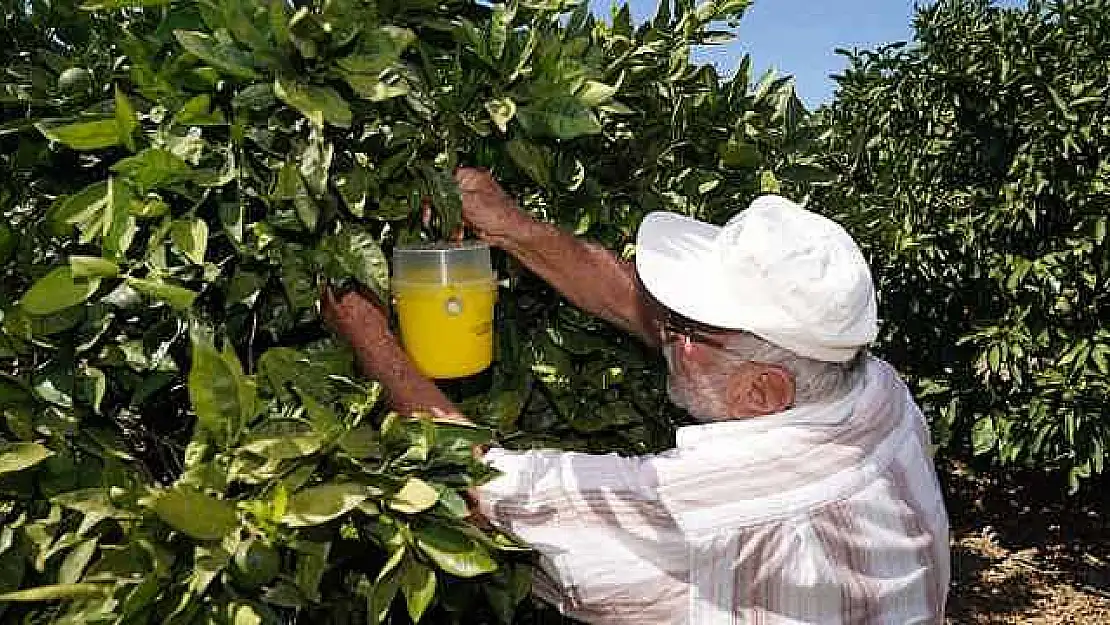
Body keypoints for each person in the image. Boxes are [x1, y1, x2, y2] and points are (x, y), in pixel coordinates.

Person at [322, 168, 951, 624]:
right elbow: (634, 302)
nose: (663, 329)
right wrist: (512, 228)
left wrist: (363, 326)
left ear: (763, 390)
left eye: (686, 327)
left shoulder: (723, 500)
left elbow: (487, 488)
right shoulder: (872, 389)